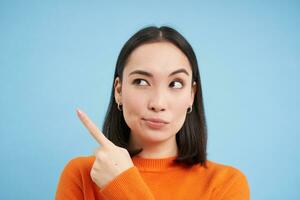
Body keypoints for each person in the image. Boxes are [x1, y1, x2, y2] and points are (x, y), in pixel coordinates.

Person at [55, 26, 250, 200]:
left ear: (191, 95)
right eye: (141, 82)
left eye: (175, 84)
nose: (158, 103)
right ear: (119, 91)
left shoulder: (227, 185)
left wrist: (123, 186)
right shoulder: (82, 174)